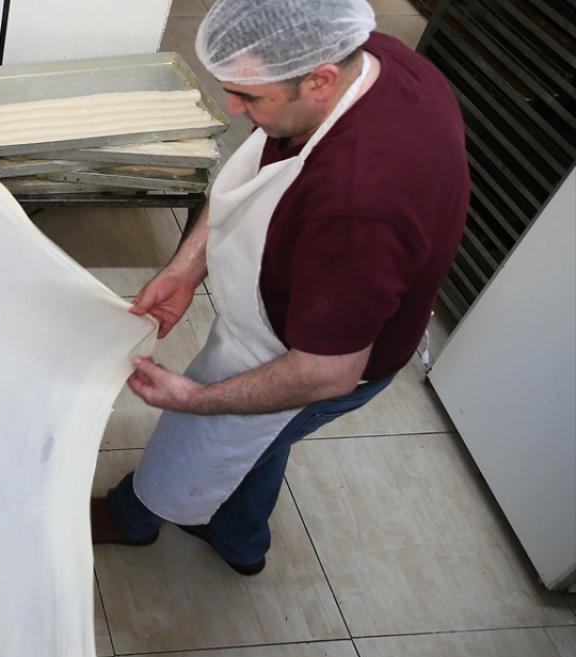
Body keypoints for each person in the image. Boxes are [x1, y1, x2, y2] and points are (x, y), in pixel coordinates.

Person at [90, 0, 469, 575]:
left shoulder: (359, 207)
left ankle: (136, 518)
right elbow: (260, 168)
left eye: (249, 97)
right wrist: (187, 267)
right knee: (259, 447)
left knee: (221, 440)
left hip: (323, 360)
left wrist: (195, 400)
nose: (231, 108)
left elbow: (325, 373)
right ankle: (239, 538)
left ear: (319, 80)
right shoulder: (370, 57)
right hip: (302, 314)